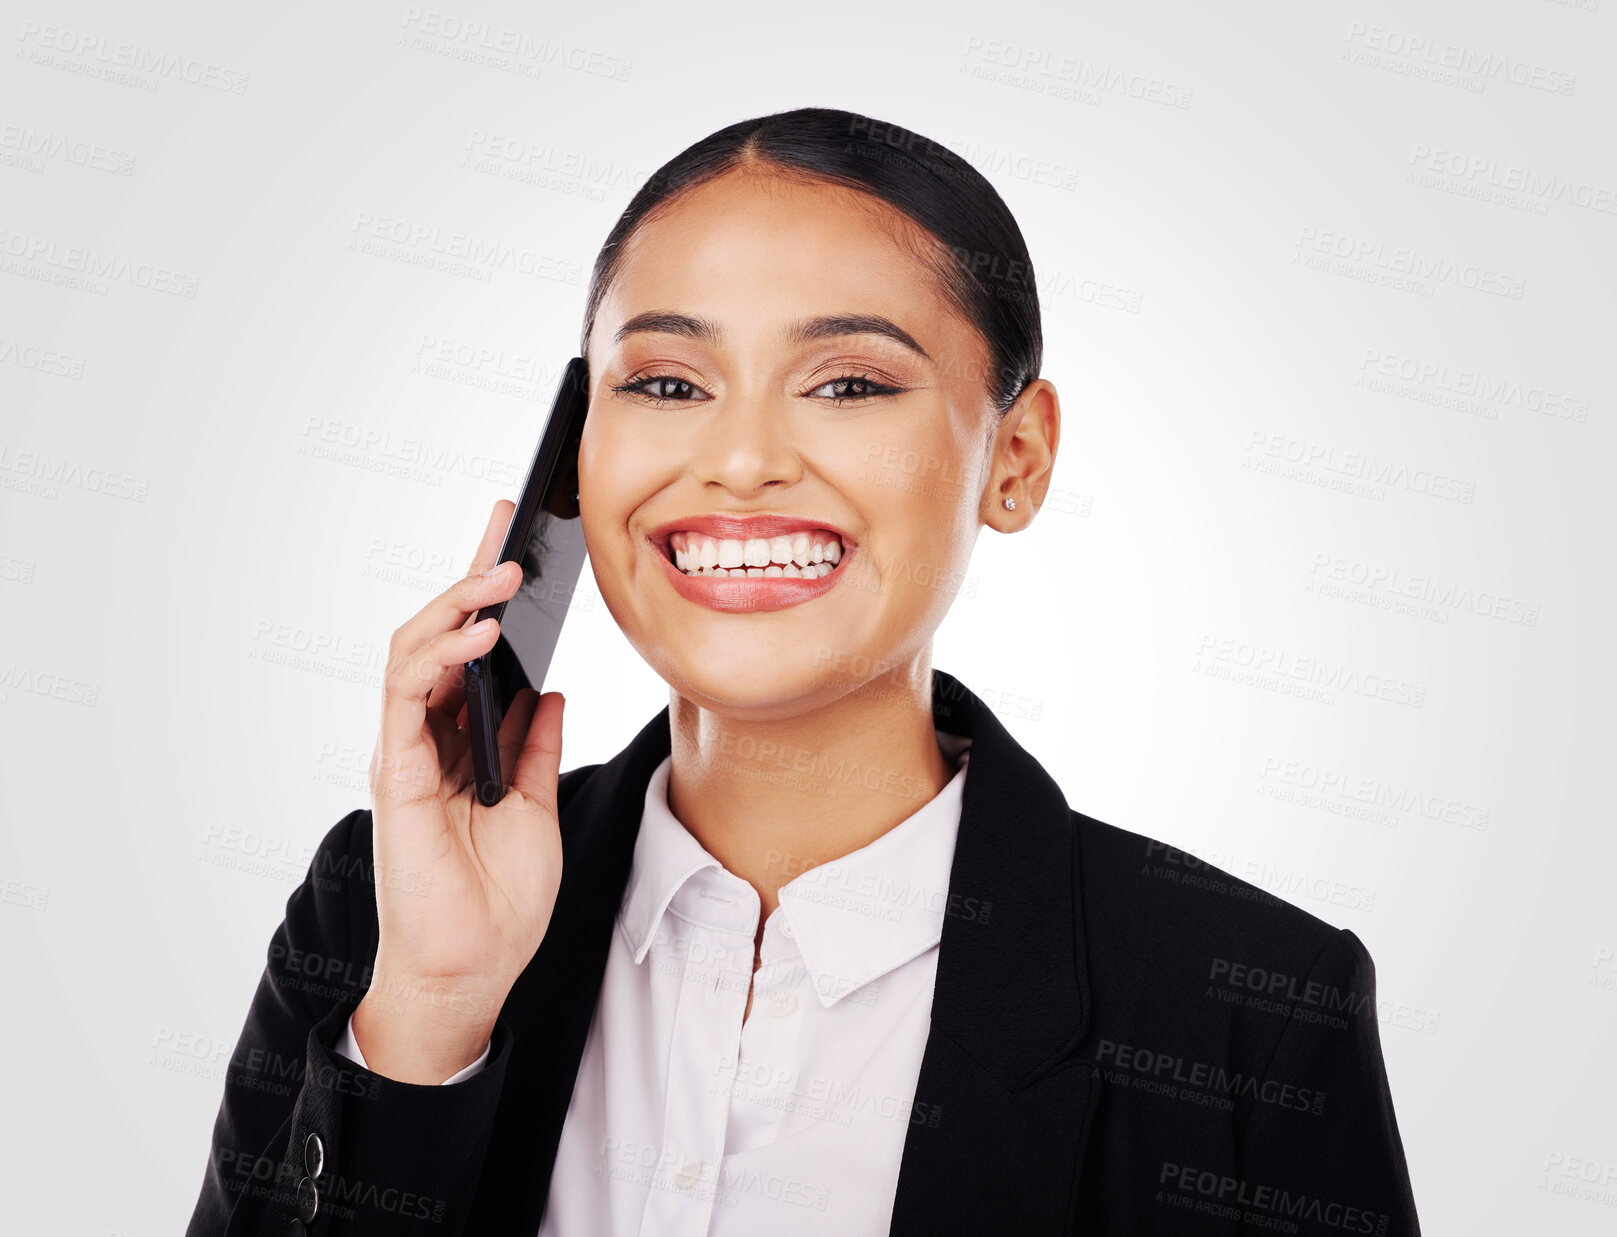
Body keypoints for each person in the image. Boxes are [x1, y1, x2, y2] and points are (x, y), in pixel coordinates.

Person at [186, 106, 1420, 1236]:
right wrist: (431, 1015)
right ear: (577, 451)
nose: (739, 460)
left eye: (848, 383)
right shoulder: (378, 911)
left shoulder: (1248, 1012)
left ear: (1019, 457)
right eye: (668, 382)